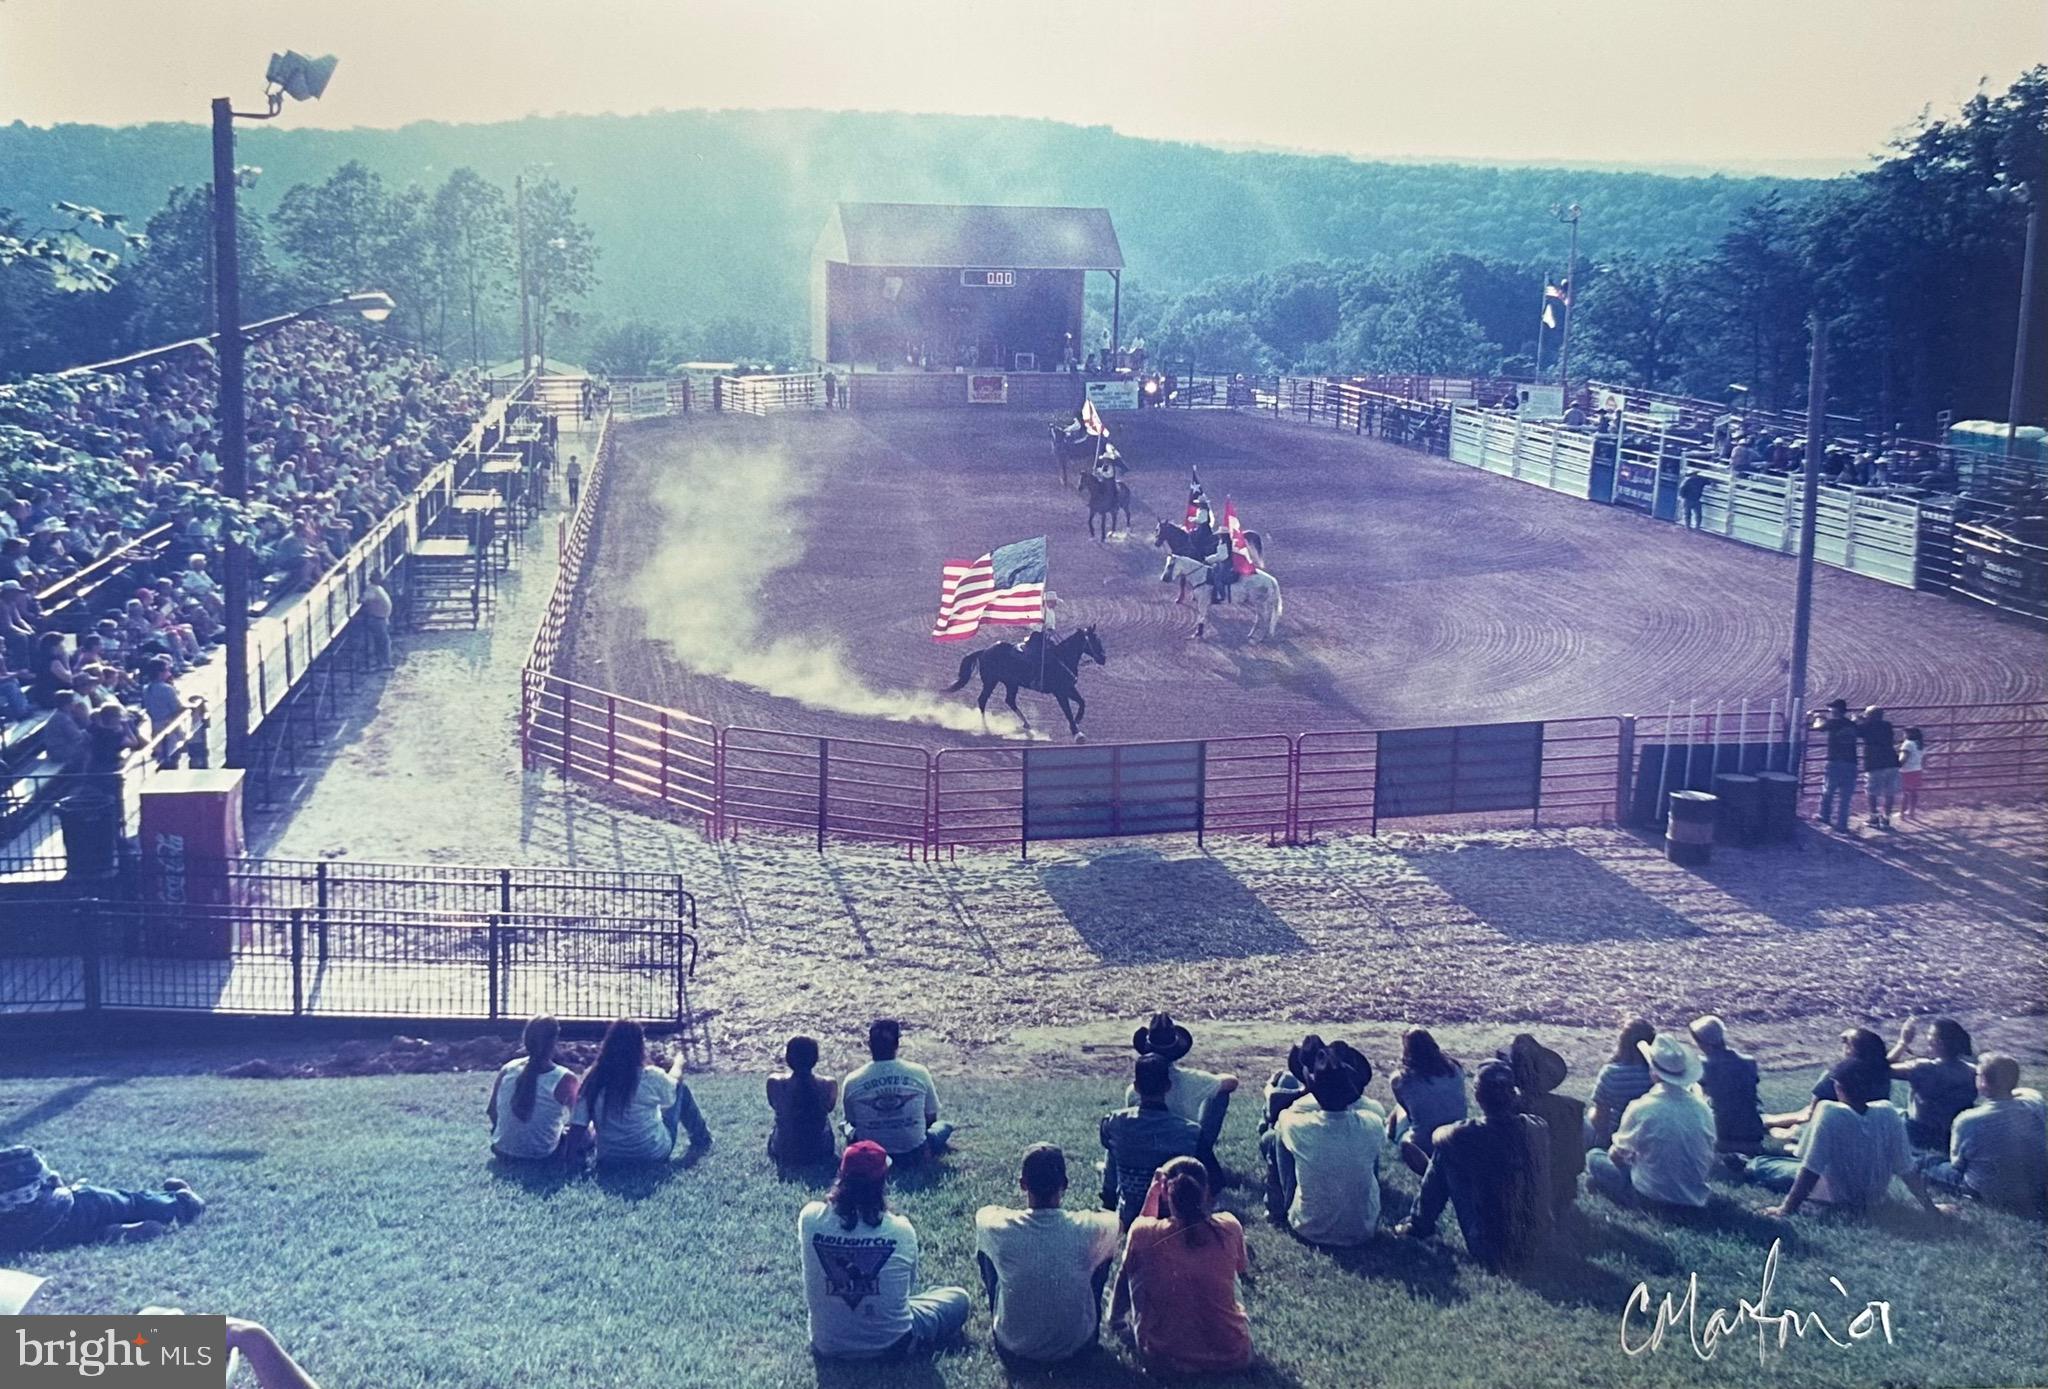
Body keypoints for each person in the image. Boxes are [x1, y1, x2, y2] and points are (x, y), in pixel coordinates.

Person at [798, 1140, 970, 1358]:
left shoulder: (810, 1218)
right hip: (893, 1343)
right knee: (959, 1298)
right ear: (882, 1181)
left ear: (841, 1175)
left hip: (827, 1345)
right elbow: (907, 1287)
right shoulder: (900, 1229)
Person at [1397, 1061, 1555, 1275]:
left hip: (1490, 1247)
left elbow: (1438, 1136)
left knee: (1444, 1156)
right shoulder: (1538, 1128)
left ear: (1478, 1097)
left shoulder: (1463, 1134)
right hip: (1539, 1241)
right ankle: (1419, 1223)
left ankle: (1419, 1224)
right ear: (1514, 1095)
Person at [975, 1144, 1121, 1363]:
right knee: (1102, 1252)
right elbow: (1115, 1222)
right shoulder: (1089, 1227)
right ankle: (1083, 1318)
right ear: (1065, 1184)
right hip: (1078, 1347)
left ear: (1023, 1184)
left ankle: (1007, 1319)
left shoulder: (997, 1227)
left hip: (1013, 1349)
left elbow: (984, 1213)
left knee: (989, 1253)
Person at [1108, 1157, 1253, 1376]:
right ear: (1206, 1190)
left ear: (1166, 1192)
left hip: (1165, 1358)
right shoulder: (1229, 1226)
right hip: (1233, 1355)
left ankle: (1116, 1319)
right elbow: (1241, 1268)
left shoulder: (1145, 1233)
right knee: (1230, 1273)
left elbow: (1137, 1234)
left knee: (1135, 1259)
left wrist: (1152, 1194)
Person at [1744, 1072, 1944, 1220]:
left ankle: (1743, 1163)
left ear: (1839, 1089)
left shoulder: (1830, 1111)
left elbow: (1810, 1169)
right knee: (1786, 1163)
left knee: (1763, 1164)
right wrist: (1930, 1207)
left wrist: (1786, 1208)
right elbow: (1906, 1168)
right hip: (1872, 1197)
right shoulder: (1887, 1112)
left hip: (1833, 1194)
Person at [1264, 1047, 1384, 1246]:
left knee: (1275, 1138)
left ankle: (1276, 1210)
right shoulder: (1373, 1123)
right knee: (1369, 1148)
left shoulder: (1296, 1125)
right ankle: (1363, 1205)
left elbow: (1278, 1117)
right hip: (1364, 1229)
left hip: (1308, 1228)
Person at [1586, 1036, 1716, 1210]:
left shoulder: (1642, 1107)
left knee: (1594, 1156)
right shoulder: (1703, 1108)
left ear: (1654, 1072)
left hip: (1650, 1196)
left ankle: (1614, 1189)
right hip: (1695, 1196)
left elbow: (1616, 1156)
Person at [0, 1145, 205, 1251]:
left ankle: (106, 1233)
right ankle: (181, 1202)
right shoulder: (20, 1162)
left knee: (129, 1204)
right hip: (79, 1204)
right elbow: (54, 1179)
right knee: (133, 1202)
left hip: (63, 1216)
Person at [567, 1017, 711, 1162]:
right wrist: (678, 1064)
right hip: (653, 1152)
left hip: (610, 1157)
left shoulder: (593, 1080)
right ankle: (702, 1138)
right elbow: (674, 1084)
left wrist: (569, 1157)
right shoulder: (649, 1076)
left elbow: (578, 1125)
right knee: (679, 1088)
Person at [1917, 1054, 2047, 1215]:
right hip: (2035, 1186)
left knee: (1928, 1162)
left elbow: (1957, 1164)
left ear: (1983, 1082)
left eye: (1978, 1074)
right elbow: (2028, 1092)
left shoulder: (1968, 1119)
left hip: (1985, 1190)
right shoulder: (2034, 1104)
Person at [1122, 1013, 1237, 1182]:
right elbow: (1232, 1082)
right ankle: (1203, 1155)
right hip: (1186, 1147)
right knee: (1219, 1095)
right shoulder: (1192, 1081)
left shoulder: (1132, 1092)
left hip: (1146, 1151)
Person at [1102, 1052, 1202, 1227]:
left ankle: (1108, 1205)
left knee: (1114, 1148)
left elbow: (1111, 1163)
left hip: (1128, 1218)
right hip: (1172, 1219)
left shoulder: (1115, 1122)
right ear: (1168, 1086)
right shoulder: (1190, 1131)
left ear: (1136, 1087)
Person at [841, 1019, 952, 1164]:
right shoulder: (919, 1073)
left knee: (845, 1126)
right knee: (944, 1126)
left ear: (869, 1045)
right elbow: (931, 1117)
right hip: (914, 1152)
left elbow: (852, 1121)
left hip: (872, 1155)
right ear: (897, 1044)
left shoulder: (852, 1080)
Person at [1502, 1033, 1585, 1215]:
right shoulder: (1572, 1108)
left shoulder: (1508, 1112)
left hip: (1524, 1197)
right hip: (1562, 1195)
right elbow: (1578, 1162)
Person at [1766, 1027, 1893, 1140]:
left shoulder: (1836, 1076)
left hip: (1834, 1124)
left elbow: (1810, 1114)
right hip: (1872, 1124)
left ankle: (1770, 1125)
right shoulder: (1882, 1073)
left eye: (1845, 1042)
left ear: (1850, 1049)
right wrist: (1901, 1044)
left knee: (1793, 1128)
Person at [487, 1014, 579, 1161]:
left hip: (502, 1150)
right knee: (588, 1131)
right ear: (555, 1039)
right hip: (544, 1154)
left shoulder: (508, 1069)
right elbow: (579, 1122)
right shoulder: (565, 1078)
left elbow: (492, 1111)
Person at [1888, 1017, 1978, 1152]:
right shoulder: (1973, 1072)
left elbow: (1881, 1069)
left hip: (1919, 1135)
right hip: (1952, 1135)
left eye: (1929, 1034)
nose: (1926, 1037)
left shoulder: (1922, 1069)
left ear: (1939, 1042)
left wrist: (1903, 1043)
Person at [1389, 1027, 1467, 1177]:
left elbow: (1407, 1111)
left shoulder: (1401, 1080)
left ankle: (1427, 1170)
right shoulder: (1455, 1069)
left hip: (1424, 1144)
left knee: (1400, 1111)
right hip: (1457, 1136)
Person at [1689, 1015, 1765, 1155]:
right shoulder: (1749, 1062)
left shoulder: (1703, 1065)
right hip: (1752, 1132)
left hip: (1723, 1134)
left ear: (1703, 1042)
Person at [767, 1035, 838, 1169]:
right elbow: (829, 1107)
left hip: (784, 1150)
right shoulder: (828, 1084)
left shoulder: (775, 1082)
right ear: (815, 1058)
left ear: (788, 1058)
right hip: (821, 1150)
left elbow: (774, 1104)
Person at [1586, 1018, 1657, 1149]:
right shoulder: (1657, 1075)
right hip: (1650, 1137)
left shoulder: (1611, 1073)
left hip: (1618, 1137)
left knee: (1589, 1116)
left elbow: (1600, 1120)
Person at [1813, 698, 1861, 832]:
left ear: (1836, 710)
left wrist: (1817, 717)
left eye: (1831, 708)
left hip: (1835, 761)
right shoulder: (1851, 724)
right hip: (1851, 762)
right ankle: (1842, 824)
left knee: (1828, 791)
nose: (1829, 710)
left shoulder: (1833, 722)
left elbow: (1818, 727)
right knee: (1845, 796)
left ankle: (1824, 815)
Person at [1860, 706, 1901, 828]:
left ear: (1870, 716)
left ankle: (1874, 817)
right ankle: (1886, 819)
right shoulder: (1887, 726)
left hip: (1875, 763)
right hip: (1891, 762)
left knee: (1871, 792)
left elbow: (1858, 731)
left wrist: (1859, 720)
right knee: (1889, 792)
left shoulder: (1866, 726)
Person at [360, 573, 395, 671]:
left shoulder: (377, 587)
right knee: (382, 642)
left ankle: (383, 662)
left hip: (380, 618)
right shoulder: (371, 588)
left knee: (382, 641)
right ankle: (383, 663)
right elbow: (364, 599)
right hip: (376, 618)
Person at [1899, 726, 1926, 817]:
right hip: (1917, 770)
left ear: (1908, 734)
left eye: (1904, 733)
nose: (1903, 735)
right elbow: (1924, 759)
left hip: (1906, 770)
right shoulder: (1920, 744)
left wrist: (1897, 766)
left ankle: (1902, 812)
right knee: (1913, 792)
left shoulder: (1907, 744)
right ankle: (1911, 811)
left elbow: (1904, 758)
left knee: (1905, 793)